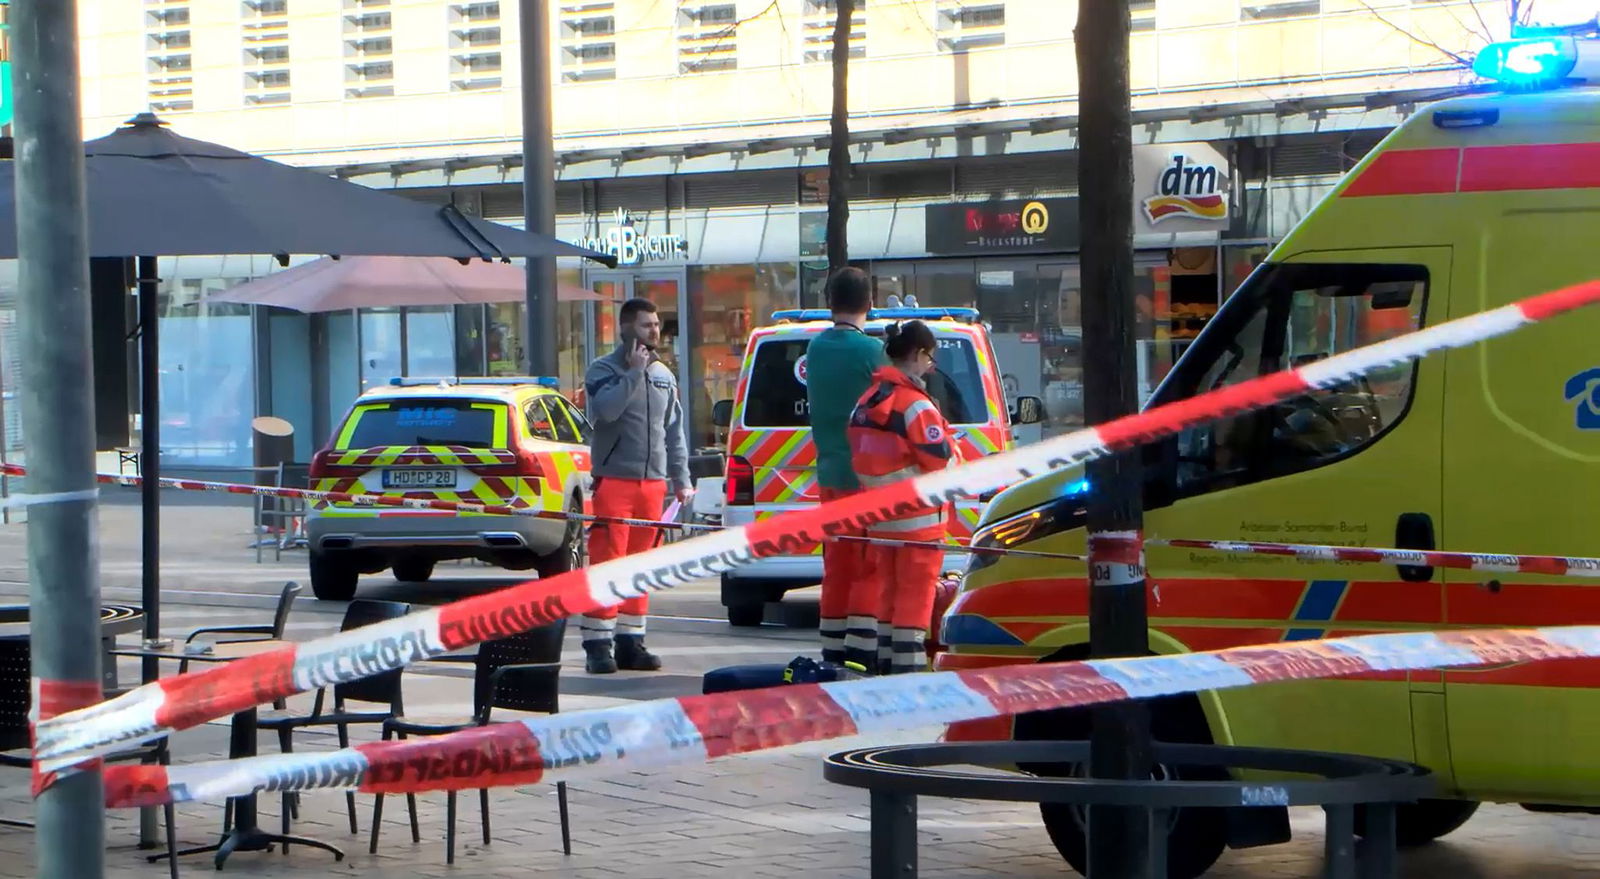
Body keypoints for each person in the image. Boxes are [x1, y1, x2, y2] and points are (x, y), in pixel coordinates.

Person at [581, 297, 693, 674]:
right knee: (607, 562)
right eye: (647, 325)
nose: (655, 331)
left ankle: (632, 641)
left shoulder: (664, 374)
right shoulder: (602, 370)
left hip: (653, 484)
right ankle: (598, 643)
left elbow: (673, 432)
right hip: (614, 479)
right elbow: (606, 412)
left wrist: (682, 480)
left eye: (657, 324)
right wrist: (631, 373)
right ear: (626, 328)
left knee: (641, 566)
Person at [847, 320, 957, 674]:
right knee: (915, 598)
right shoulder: (916, 406)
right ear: (916, 354)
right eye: (930, 357)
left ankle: (885, 667)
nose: (931, 365)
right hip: (919, 523)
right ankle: (908, 675)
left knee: (888, 596)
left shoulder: (867, 400)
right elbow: (939, 456)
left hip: (882, 520)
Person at [804, 267, 887, 665]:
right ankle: (863, 648)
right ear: (870, 304)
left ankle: (833, 648)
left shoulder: (816, 350)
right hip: (868, 477)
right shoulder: (872, 351)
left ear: (828, 303)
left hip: (831, 475)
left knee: (837, 565)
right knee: (869, 564)